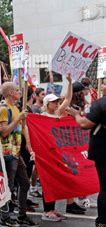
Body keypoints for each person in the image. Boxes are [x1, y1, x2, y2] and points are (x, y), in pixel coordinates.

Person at [0, 82, 39, 227]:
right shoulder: (3, 109)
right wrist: (18, 118)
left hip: (16, 152)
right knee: (8, 186)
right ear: (9, 93)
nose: (20, 92)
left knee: (25, 183)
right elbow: (4, 132)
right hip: (6, 153)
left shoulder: (16, 108)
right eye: (16, 90)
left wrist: (28, 143)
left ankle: (21, 215)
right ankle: (5, 218)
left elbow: (23, 127)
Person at [40, 74, 84, 217]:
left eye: (57, 101)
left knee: (55, 180)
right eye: (53, 102)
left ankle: (52, 209)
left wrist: (70, 82)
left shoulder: (58, 113)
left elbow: (68, 99)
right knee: (48, 181)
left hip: (57, 152)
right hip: (46, 152)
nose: (57, 104)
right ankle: (47, 210)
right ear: (47, 104)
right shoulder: (41, 117)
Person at [67, 80, 106, 227]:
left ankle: (102, 223)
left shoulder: (101, 104)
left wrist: (76, 115)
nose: (102, 86)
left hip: (102, 150)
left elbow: (84, 124)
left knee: (105, 187)